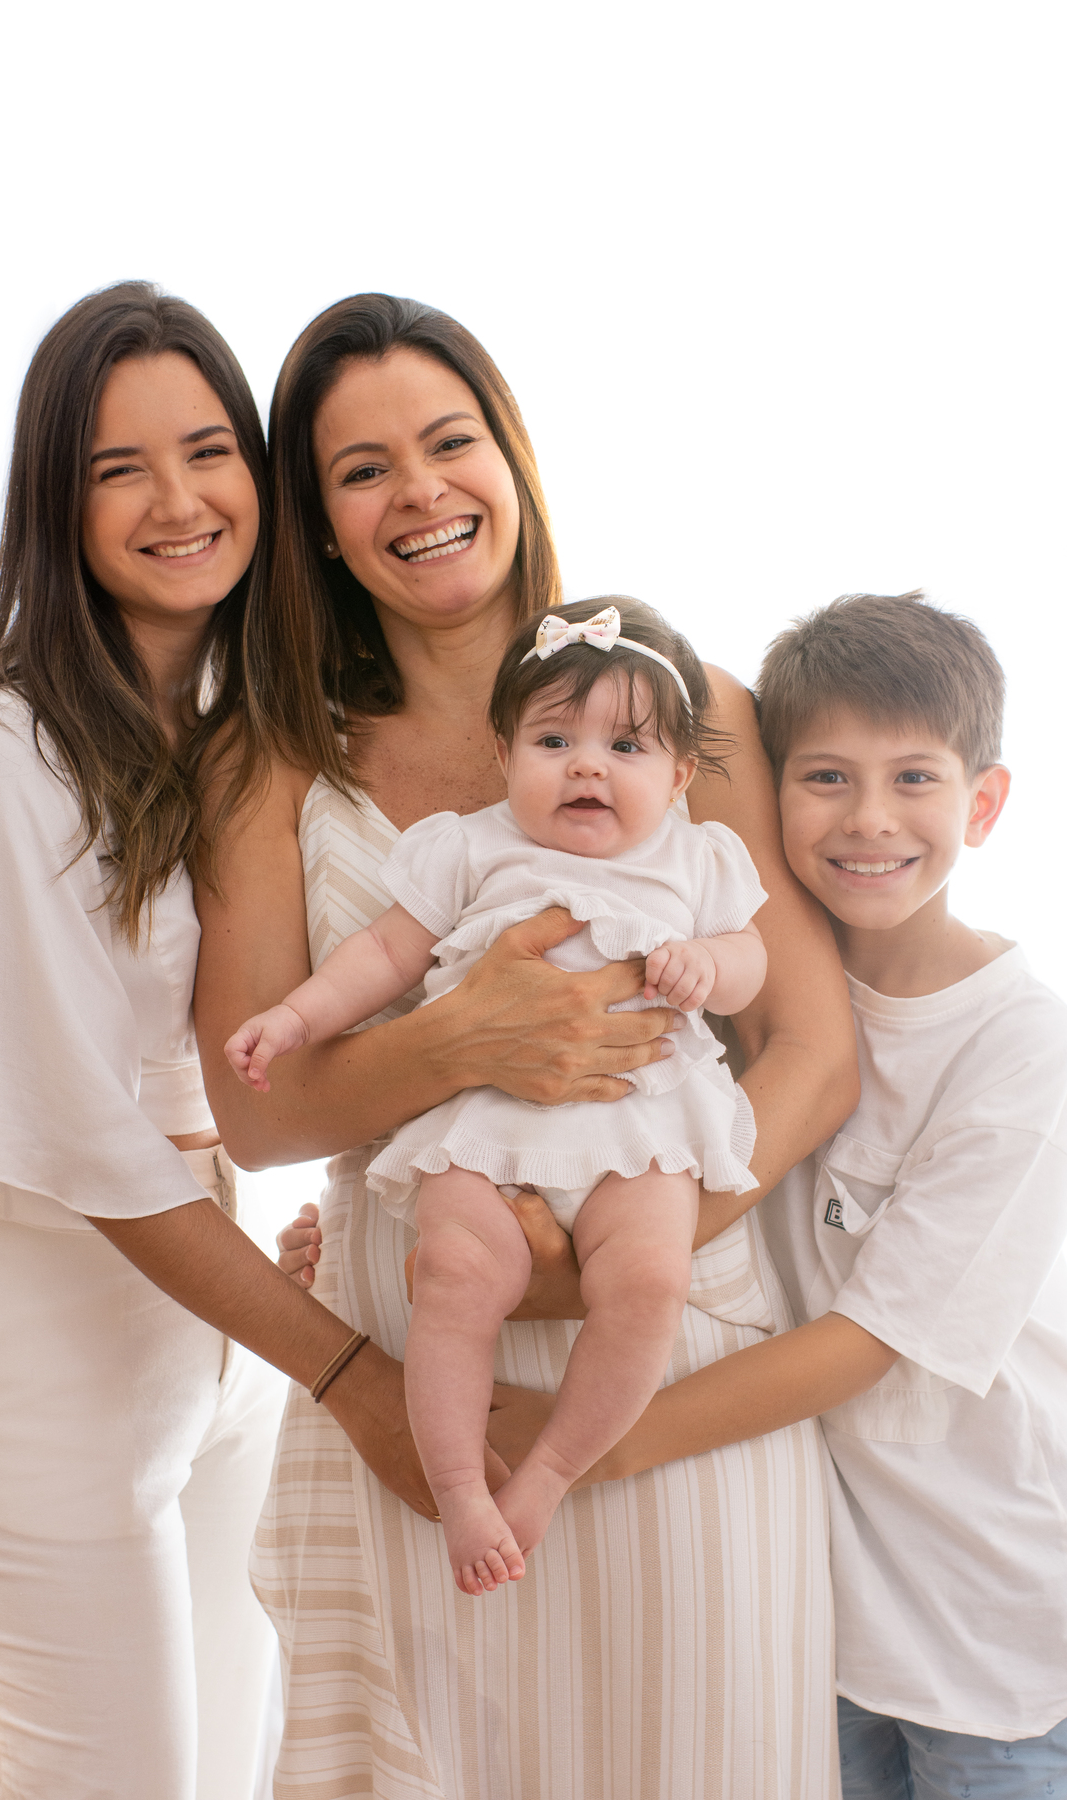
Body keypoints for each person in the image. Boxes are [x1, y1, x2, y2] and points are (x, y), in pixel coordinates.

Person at [196, 291, 859, 1798]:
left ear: (512, 458)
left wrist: (633, 1247)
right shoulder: (273, 759)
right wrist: (462, 1040)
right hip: (423, 1353)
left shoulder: (695, 710)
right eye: (362, 470)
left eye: (450, 442)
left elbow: (811, 1051)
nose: (419, 491)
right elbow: (263, 1120)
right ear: (317, 526)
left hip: (675, 1343)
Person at [0, 282, 453, 1800]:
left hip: (219, 1334)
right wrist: (351, 1377)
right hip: (27, 1358)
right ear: (54, 507)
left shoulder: (245, 718)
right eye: (119, 469)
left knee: (227, 1773)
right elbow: (83, 1144)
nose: (180, 502)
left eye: (208, 452)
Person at [490, 592, 1067, 1797]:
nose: (870, 819)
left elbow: (870, 1341)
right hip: (825, 1618)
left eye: (914, 780)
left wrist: (585, 1448)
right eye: (825, 779)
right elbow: (603, 1138)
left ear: (984, 804)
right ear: (765, 792)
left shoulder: (1020, 1049)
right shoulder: (744, 997)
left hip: (997, 1635)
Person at [229, 598, 767, 1595]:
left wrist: (711, 966)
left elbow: (749, 960)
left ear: (680, 777)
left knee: (648, 1283)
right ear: (504, 753)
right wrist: (296, 1018)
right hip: (487, 1124)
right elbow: (383, 953)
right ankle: (459, 1487)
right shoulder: (471, 847)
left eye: (626, 746)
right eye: (554, 741)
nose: (587, 767)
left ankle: (553, 1469)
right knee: (454, 1275)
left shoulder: (695, 858)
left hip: (640, 1124)